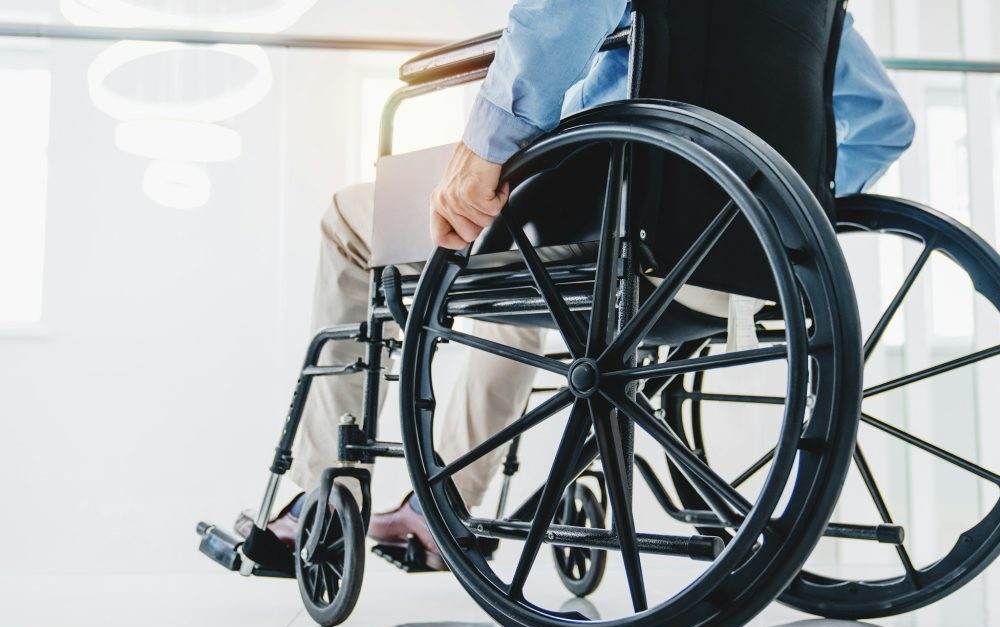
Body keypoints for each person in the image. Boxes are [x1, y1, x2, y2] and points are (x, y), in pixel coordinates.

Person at [236, 1, 916, 570]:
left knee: (349, 224)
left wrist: (487, 143)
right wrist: (771, 213)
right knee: (516, 272)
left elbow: (564, 13)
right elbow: (886, 125)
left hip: (616, 214)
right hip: (736, 264)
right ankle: (439, 504)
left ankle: (325, 491)